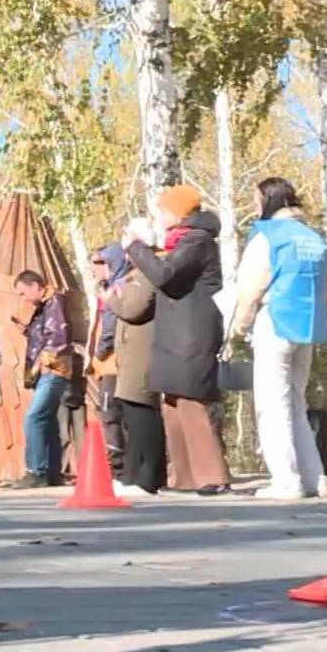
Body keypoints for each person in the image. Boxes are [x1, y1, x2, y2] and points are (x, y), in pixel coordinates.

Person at [123, 185, 232, 495]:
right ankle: (184, 476)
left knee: (189, 400)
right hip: (176, 331)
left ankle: (212, 475)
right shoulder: (180, 241)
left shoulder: (197, 241)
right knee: (172, 402)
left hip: (192, 330)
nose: (159, 217)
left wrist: (137, 248)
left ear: (181, 212)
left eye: (164, 211)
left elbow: (166, 274)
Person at [230, 177, 327, 500]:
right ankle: (314, 476)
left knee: (272, 404)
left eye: (255, 200)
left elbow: (250, 288)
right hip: (308, 324)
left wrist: (238, 326)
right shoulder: (312, 237)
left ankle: (285, 480)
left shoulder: (267, 238)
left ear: (267, 201)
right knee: (295, 402)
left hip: (275, 321)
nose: (253, 206)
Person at [108, 244, 166, 496]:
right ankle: (132, 475)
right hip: (131, 352)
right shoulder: (139, 274)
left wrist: (111, 299)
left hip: (141, 353)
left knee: (141, 412)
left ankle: (149, 476)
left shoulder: (148, 274)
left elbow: (133, 308)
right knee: (131, 413)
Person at [11, 270, 72, 488]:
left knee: (34, 417)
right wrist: (27, 331)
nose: (24, 298)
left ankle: (36, 470)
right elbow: (44, 335)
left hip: (53, 369)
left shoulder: (54, 302)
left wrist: (40, 364)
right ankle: (53, 471)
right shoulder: (43, 307)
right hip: (50, 369)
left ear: (36, 286)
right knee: (48, 420)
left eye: (23, 292)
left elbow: (57, 336)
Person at [88, 246, 128, 481]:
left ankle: (118, 467)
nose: (94, 268)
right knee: (111, 411)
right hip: (107, 363)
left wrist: (100, 352)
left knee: (110, 412)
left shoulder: (117, 288)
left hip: (114, 361)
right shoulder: (104, 289)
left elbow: (110, 324)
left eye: (99, 262)